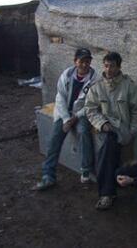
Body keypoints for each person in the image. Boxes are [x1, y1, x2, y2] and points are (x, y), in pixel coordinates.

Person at [32, 48, 98, 191]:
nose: (84, 65)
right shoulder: (67, 74)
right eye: (81, 61)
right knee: (55, 138)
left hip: (82, 114)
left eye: (87, 61)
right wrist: (66, 119)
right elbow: (60, 98)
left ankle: (86, 168)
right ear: (75, 61)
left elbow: (91, 104)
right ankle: (48, 176)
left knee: (82, 131)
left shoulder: (95, 79)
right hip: (64, 113)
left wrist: (74, 117)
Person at [84, 52, 137, 210]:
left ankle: (108, 192)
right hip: (105, 129)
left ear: (119, 66)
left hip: (123, 130)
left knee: (110, 152)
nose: (108, 69)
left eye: (112, 66)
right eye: (106, 65)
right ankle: (107, 193)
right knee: (108, 146)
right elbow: (90, 110)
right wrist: (102, 124)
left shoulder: (129, 86)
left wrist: (132, 131)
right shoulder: (97, 87)